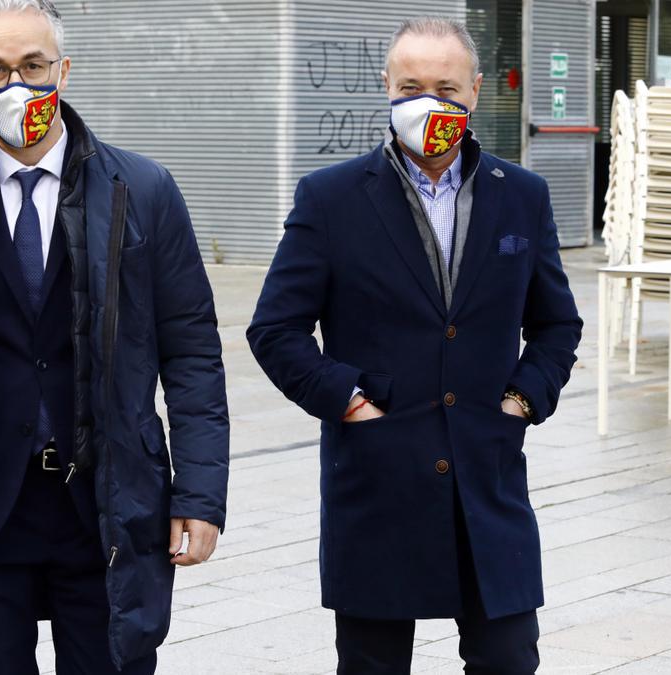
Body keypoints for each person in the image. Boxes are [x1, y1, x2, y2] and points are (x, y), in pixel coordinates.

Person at [0, 1, 230, 673]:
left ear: (64, 70)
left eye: (32, 65)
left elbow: (193, 352)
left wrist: (200, 494)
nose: (15, 84)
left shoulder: (142, 191)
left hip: (108, 507)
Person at [248, 16, 582, 675]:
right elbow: (274, 328)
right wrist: (345, 398)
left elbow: (558, 324)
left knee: (510, 659)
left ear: (476, 91)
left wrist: (523, 396)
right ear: (387, 87)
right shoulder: (331, 198)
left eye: (447, 87)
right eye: (411, 85)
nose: (429, 102)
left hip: (487, 484)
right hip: (378, 483)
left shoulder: (523, 198)